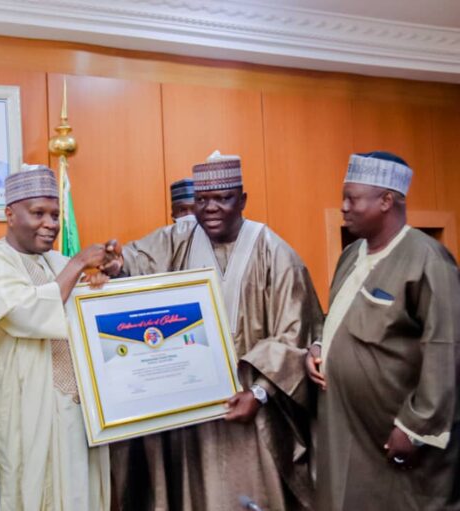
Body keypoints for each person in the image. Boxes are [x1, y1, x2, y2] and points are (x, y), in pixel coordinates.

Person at [108, 151, 322, 510]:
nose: (210, 209)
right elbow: (135, 261)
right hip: (192, 408)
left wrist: (259, 393)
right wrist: (115, 263)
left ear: (243, 200)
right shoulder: (180, 237)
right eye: (203, 200)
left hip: (252, 409)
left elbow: (294, 335)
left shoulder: (275, 252)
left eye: (223, 199)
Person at [307, 151, 460, 511]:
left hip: (393, 438)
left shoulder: (428, 260)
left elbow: (446, 347)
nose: (343, 207)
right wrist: (319, 347)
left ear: (386, 201)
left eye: (353, 198)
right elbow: (338, 317)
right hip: (346, 427)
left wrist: (414, 428)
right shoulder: (351, 255)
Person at [0, 165, 113, 511]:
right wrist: (78, 265)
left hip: (73, 405)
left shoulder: (55, 260)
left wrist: (103, 277)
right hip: (23, 406)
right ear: (10, 214)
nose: (50, 223)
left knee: (78, 492)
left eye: (56, 215)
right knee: (28, 489)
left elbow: (83, 309)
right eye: (38, 213)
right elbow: (26, 312)